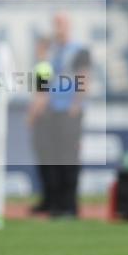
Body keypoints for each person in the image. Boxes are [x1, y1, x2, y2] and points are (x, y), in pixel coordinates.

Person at [44, 13, 91, 218]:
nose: (57, 28)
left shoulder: (78, 50)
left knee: (69, 157)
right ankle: (57, 204)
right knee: (55, 157)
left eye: (61, 24)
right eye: (56, 24)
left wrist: (76, 104)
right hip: (54, 110)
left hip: (69, 111)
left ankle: (70, 206)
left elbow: (84, 77)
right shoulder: (54, 52)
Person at [26, 36, 55, 213]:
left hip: (44, 119)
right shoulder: (46, 66)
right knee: (45, 161)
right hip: (47, 118)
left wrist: (32, 116)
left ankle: (50, 201)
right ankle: (48, 200)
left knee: (47, 160)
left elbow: (42, 95)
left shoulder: (43, 67)